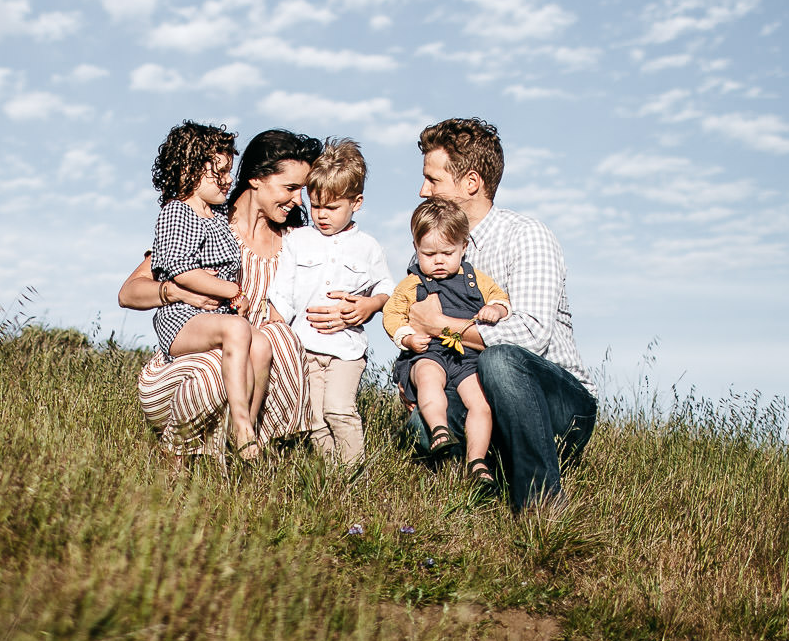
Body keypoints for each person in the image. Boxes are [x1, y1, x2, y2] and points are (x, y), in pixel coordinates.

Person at [120, 130, 356, 463]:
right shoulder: (210, 227)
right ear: (258, 178)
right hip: (193, 367)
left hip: (261, 370)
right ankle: (175, 455)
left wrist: (358, 308)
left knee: (276, 336)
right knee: (224, 359)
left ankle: (261, 453)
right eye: (290, 188)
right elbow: (129, 292)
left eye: (303, 191)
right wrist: (174, 291)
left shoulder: (299, 244)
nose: (299, 201)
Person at [401, 117, 596, 511]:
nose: (423, 191)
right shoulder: (431, 251)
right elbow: (411, 323)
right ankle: (484, 480)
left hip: (557, 403)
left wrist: (442, 325)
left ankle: (540, 505)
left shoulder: (526, 235)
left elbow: (530, 335)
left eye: (433, 180)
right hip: (476, 395)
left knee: (501, 358)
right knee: (419, 428)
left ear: (471, 183)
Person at [266, 138, 393, 467]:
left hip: (346, 350)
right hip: (305, 349)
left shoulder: (367, 247)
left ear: (357, 202)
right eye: (316, 205)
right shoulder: (298, 241)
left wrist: (369, 306)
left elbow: (386, 289)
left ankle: (353, 476)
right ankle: (332, 481)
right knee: (316, 421)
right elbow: (281, 293)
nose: (321, 215)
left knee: (338, 410)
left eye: (332, 208)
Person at [145, 120, 263, 453]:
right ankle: (241, 427)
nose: (228, 180)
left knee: (262, 347)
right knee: (238, 330)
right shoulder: (177, 213)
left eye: (229, 171)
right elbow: (182, 272)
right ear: (189, 171)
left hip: (211, 315)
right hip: (182, 319)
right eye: (219, 172)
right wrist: (233, 292)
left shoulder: (216, 215)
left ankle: (243, 426)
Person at [382, 197, 510, 486]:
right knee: (428, 378)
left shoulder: (476, 279)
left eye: (447, 253)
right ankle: (439, 429)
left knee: (480, 404)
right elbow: (392, 315)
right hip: (429, 352)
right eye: (429, 254)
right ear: (416, 249)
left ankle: (477, 460)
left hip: (466, 359)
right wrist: (408, 338)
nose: (438, 260)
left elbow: (501, 298)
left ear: (464, 247)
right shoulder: (412, 284)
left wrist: (496, 309)